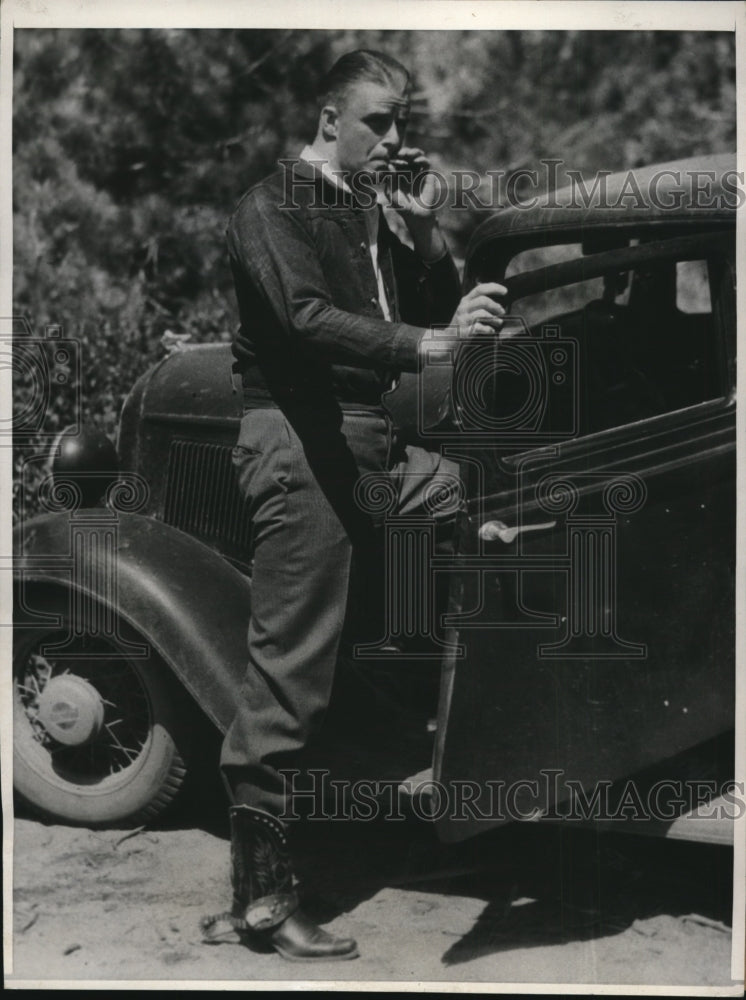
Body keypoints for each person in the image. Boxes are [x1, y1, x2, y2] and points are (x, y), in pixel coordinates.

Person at [204, 49, 508, 962]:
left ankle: (467, 791)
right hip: (302, 441)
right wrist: (429, 338)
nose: (395, 137)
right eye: (377, 120)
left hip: (369, 440)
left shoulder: (372, 209)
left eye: (402, 120)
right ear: (330, 119)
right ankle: (261, 905)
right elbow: (304, 317)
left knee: (495, 498)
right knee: (289, 676)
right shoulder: (273, 204)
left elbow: (442, 312)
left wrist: (421, 234)